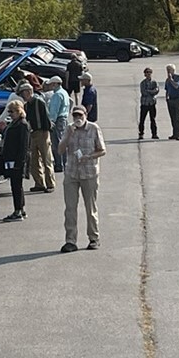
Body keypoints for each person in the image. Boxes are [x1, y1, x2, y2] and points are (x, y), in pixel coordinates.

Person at [57, 104, 107, 251]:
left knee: (90, 208)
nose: (78, 118)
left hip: (89, 173)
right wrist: (68, 136)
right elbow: (60, 150)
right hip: (72, 173)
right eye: (75, 116)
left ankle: (94, 238)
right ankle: (70, 241)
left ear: (86, 115)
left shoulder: (93, 128)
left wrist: (89, 157)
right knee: (70, 208)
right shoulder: (69, 129)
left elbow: (102, 150)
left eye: (80, 115)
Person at [19, 82, 55, 193]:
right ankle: (39, 183)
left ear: (29, 91)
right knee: (34, 160)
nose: (22, 95)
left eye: (23, 93)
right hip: (32, 134)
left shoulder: (39, 102)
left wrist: (46, 131)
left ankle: (50, 184)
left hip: (42, 133)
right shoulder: (26, 105)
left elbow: (46, 117)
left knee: (46, 159)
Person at [0, 99, 30, 221]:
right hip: (11, 158)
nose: (10, 114)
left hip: (17, 160)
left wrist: (20, 162)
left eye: (11, 112)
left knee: (16, 186)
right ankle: (20, 209)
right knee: (16, 186)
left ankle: (18, 210)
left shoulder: (22, 125)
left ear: (18, 111)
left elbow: (23, 146)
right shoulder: (14, 123)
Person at [45, 76, 71, 173]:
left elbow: (54, 110)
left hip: (58, 120)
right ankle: (65, 162)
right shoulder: (64, 92)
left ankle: (59, 164)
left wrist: (51, 122)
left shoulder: (57, 95)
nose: (50, 86)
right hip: (63, 119)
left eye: (52, 84)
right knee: (63, 141)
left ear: (56, 84)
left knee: (56, 143)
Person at [163, 64, 179, 141]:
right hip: (171, 99)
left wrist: (171, 79)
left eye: (169, 70)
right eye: (167, 70)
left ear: (173, 70)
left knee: (178, 117)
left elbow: (176, 86)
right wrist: (166, 98)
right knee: (173, 117)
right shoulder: (167, 80)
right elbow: (167, 89)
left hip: (178, 99)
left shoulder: (177, 77)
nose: (168, 72)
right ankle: (174, 133)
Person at [137, 66, 160, 140]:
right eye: (147, 72)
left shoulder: (154, 82)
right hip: (145, 103)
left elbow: (157, 90)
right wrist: (151, 91)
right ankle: (141, 133)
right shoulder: (142, 83)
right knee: (142, 119)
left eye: (149, 72)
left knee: (152, 119)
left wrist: (150, 91)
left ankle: (154, 134)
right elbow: (144, 92)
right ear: (144, 74)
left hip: (152, 103)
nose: (148, 74)